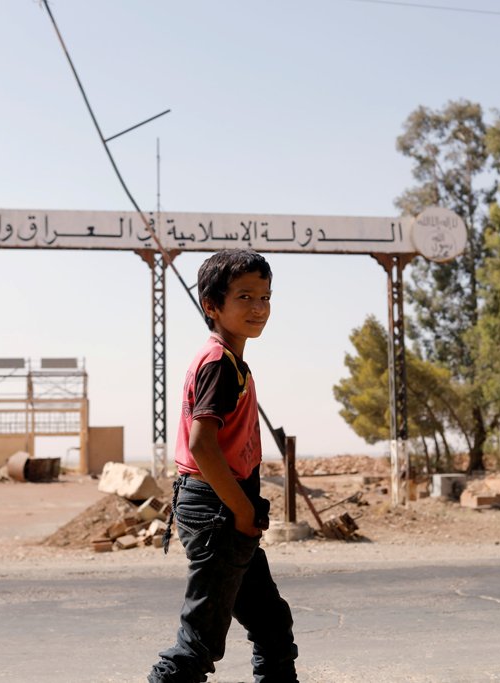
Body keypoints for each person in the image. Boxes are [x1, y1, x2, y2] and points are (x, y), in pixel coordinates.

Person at [148, 249, 299, 683]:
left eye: (266, 297)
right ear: (211, 306)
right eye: (245, 296)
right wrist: (243, 510)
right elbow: (203, 446)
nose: (259, 308)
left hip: (224, 505)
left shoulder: (229, 360)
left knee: (272, 623)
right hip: (219, 507)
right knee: (197, 645)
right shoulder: (218, 362)